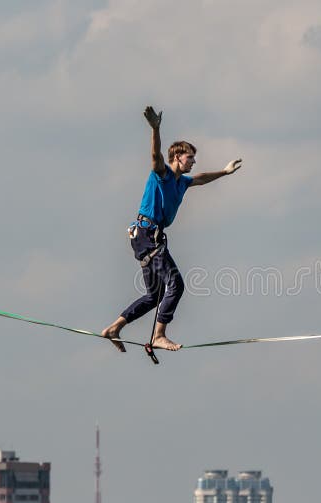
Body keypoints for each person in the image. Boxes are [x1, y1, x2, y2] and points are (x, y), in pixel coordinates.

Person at [101, 105, 242, 352]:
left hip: (148, 238)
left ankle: (114, 328)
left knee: (154, 296)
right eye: (190, 158)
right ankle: (159, 335)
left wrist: (225, 172)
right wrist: (156, 129)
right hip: (147, 235)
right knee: (175, 283)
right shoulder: (162, 174)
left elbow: (203, 177)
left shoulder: (183, 182)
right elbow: (155, 156)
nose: (193, 162)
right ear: (177, 157)